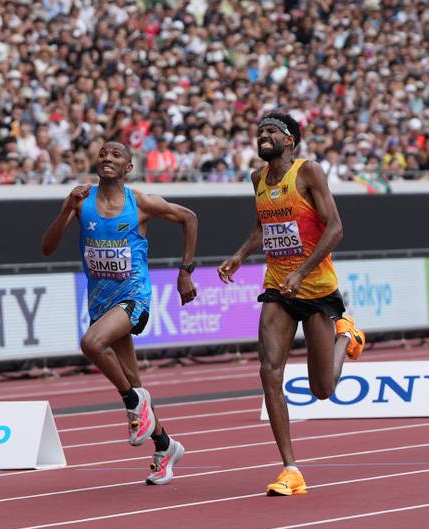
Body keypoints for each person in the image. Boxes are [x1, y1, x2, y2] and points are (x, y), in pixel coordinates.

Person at [217, 112, 365, 497]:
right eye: (260, 130)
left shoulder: (308, 172)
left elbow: (336, 228)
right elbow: (263, 227)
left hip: (316, 290)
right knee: (269, 371)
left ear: (290, 141)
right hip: (278, 289)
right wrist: (239, 255)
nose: (263, 135)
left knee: (322, 389)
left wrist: (303, 271)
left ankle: (344, 336)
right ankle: (290, 468)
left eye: (272, 131)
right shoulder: (257, 179)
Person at [41, 141, 198, 485]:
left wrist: (185, 270)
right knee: (135, 381)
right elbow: (47, 248)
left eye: (116, 155)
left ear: (128, 168)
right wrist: (66, 206)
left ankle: (131, 401)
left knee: (92, 343)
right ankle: (165, 446)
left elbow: (189, 218)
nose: (107, 158)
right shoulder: (82, 202)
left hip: (134, 298)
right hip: (100, 302)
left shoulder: (139, 202)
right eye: (103, 154)